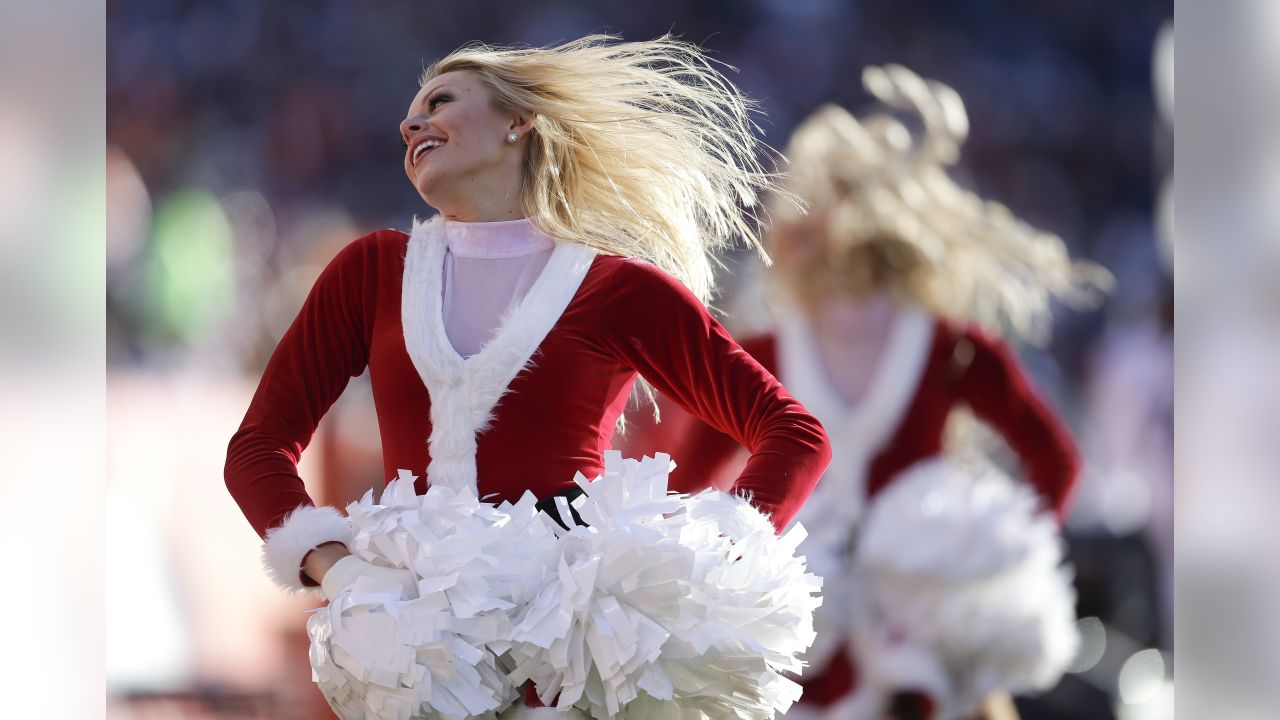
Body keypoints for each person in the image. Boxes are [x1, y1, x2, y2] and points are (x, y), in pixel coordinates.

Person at [224, 35, 831, 719]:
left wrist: (705, 565)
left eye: (440, 101)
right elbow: (257, 448)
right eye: (409, 113)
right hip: (418, 650)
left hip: (571, 653)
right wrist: (344, 572)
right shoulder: (371, 272)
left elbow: (793, 433)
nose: (410, 123)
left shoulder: (617, 288)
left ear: (519, 123)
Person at [622, 65, 1108, 720]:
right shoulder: (764, 353)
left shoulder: (950, 348)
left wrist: (992, 567)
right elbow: (690, 485)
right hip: (807, 637)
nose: (809, 228)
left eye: (831, 205)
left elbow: (1055, 461)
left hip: (924, 631)